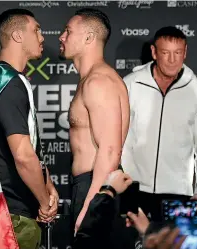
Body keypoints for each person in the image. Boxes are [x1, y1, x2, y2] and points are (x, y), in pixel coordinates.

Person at [0, 9, 58, 249]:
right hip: (11, 217)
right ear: (17, 36)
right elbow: (24, 155)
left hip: (0, 210)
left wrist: (46, 181)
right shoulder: (9, 83)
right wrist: (45, 201)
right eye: (36, 30)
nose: (42, 36)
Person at [121, 26, 197, 222]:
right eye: (165, 53)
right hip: (133, 189)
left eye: (177, 53)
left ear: (185, 53)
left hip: (179, 192)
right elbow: (118, 139)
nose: (172, 60)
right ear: (154, 52)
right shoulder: (130, 84)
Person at [59, 8, 130, 234]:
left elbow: (110, 151)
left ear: (89, 37)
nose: (61, 36)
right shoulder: (92, 79)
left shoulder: (98, 82)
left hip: (97, 188)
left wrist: (90, 207)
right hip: (93, 186)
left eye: (68, 31)